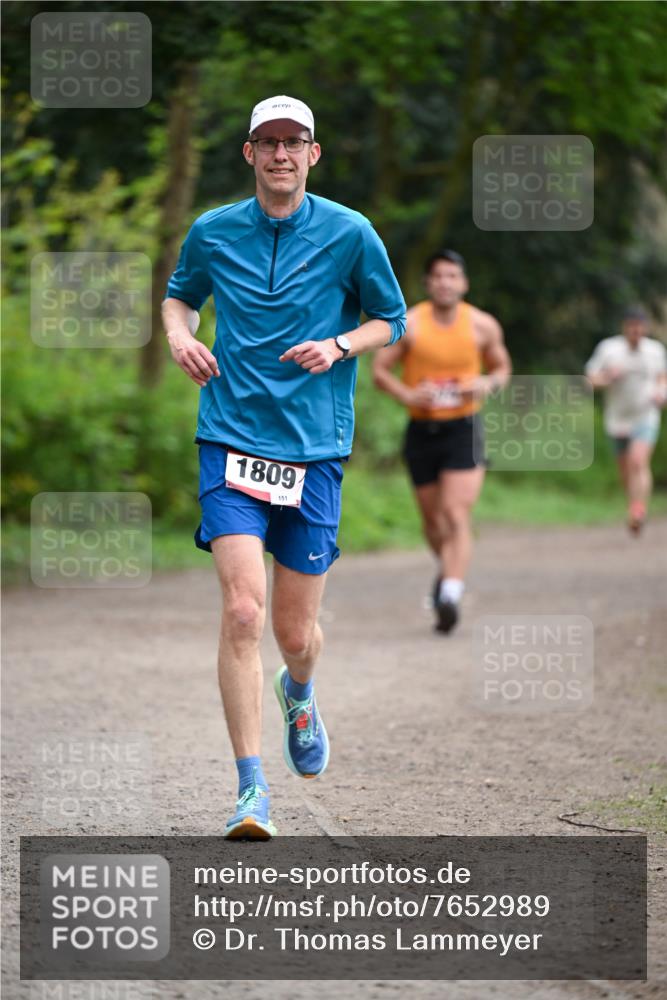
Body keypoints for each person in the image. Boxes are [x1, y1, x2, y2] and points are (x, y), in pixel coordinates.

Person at [161, 96, 406, 839]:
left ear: (312, 153)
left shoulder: (350, 232)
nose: (279, 154)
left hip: (313, 448)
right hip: (230, 437)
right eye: (266, 142)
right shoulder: (212, 231)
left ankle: (298, 690)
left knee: (296, 635)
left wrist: (339, 346)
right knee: (243, 611)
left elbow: (391, 319)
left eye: (292, 142)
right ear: (248, 153)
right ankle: (250, 789)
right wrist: (181, 337)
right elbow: (179, 299)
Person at [372, 249, 511, 634]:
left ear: (463, 283)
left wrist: (486, 383)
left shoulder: (482, 325)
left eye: (452, 276)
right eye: (438, 276)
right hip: (421, 430)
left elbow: (502, 368)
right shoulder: (411, 324)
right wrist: (408, 395)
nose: (445, 283)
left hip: (463, 429)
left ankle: (450, 592)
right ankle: (449, 570)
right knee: (433, 523)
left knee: (455, 514)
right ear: (428, 283)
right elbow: (380, 371)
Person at [585, 305, 667, 534]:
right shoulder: (609, 349)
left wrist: (662, 393)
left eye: (639, 328)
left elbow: (662, 378)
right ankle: (633, 505)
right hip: (617, 419)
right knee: (625, 470)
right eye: (632, 328)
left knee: (638, 461)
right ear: (624, 328)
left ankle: (639, 510)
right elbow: (590, 379)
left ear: (646, 329)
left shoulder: (655, 351)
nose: (635, 332)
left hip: (645, 415)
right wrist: (607, 377)